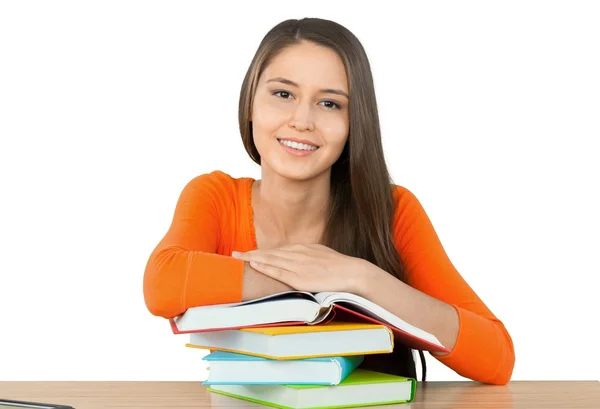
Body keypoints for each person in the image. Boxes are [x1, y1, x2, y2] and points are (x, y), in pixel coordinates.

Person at [143, 17, 515, 385]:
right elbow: (163, 284)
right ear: (250, 103)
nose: (302, 121)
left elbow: (496, 358)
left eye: (330, 104)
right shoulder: (216, 197)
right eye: (283, 94)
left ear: (356, 122)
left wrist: (360, 278)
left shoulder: (392, 211)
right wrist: (307, 282)